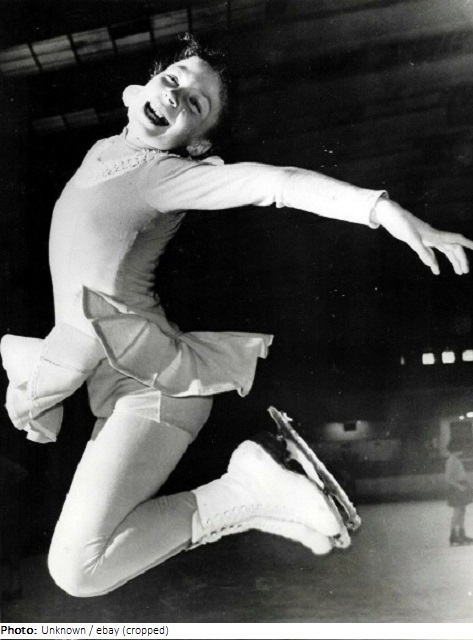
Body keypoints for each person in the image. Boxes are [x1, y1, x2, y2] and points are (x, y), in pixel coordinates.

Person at [2, 34, 473, 598]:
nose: (175, 95)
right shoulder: (105, 149)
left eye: (195, 104)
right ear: (138, 90)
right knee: (79, 566)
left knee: (78, 571)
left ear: (197, 144)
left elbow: (277, 184)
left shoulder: (166, 176)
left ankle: (246, 493)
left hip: (156, 388)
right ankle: (251, 495)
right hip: (116, 381)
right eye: (173, 80)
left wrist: (384, 210)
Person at [445, 438, 473, 546]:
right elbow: (448, 478)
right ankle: (453, 535)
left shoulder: (456, 460)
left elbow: (461, 474)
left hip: (461, 486)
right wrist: (459, 486)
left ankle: (461, 534)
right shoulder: (451, 461)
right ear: (456, 449)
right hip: (457, 488)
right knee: (457, 512)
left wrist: (467, 484)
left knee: (462, 510)